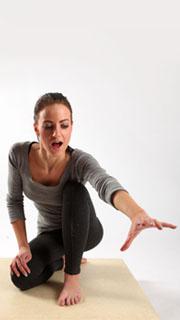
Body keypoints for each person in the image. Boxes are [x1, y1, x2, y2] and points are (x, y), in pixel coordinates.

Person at [7, 92, 177, 307]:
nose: (56, 133)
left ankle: (72, 276)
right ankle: (63, 258)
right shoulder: (18, 154)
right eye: (48, 126)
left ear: (71, 127)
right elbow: (14, 200)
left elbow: (106, 183)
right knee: (21, 277)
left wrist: (136, 213)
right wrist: (23, 247)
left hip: (85, 231)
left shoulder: (80, 162)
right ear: (36, 128)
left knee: (74, 190)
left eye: (64, 125)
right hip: (51, 234)